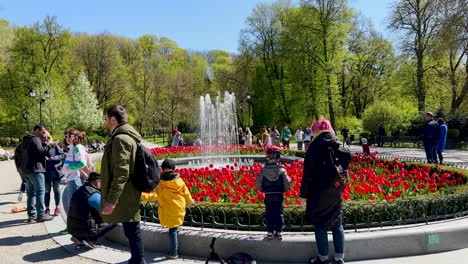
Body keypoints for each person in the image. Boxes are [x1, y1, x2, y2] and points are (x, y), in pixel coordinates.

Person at [300, 117, 351, 264]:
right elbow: (348, 156)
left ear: (315, 131)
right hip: (335, 190)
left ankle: (322, 258)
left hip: (318, 191)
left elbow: (308, 174)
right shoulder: (337, 144)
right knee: (337, 224)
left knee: (320, 225)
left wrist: (303, 195)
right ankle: (339, 258)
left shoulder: (314, 148)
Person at [101, 105, 146, 264]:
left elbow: (122, 172)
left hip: (126, 193)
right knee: (131, 229)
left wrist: (112, 200)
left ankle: (138, 261)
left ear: (113, 119)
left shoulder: (120, 139)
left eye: (106, 118)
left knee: (133, 230)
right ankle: (136, 260)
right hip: (128, 191)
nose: (105, 122)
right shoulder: (125, 136)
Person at [141, 159, 194, 259]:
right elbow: (186, 193)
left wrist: (142, 196)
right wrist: (190, 202)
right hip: (179, 207)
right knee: (175, 226)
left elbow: (154, 196)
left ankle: (174, 252)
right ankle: (174, 247)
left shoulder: (160, 182)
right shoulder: (180, 180)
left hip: (168, 209)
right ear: (174, 169)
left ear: (162, 169)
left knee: (172, 230)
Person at [68, 172, 116, 248]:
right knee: (114, 220)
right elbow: (105, 211)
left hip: (72, 227)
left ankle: (79, 238)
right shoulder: (93, 194)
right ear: (98, 182)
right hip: (85, 229)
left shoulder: (81, 189)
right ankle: (90, 240)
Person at [255, 146, 291, 239]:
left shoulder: (263, 170)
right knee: (279, 212)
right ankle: (279, 231)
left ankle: (270, 232)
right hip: (279, 194)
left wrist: (262, 190)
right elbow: (287, 182)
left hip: (268, 195)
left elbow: (258, 183)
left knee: (269, 212)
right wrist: (285, 190)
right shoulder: (282, 170)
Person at [24, 125, 58, 223]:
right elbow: (40, 152)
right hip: (36, 169)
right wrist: (51, 145)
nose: (43, 134)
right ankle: (41, 215)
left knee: (31, 193)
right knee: (40, 192)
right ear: (36, 131)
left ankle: (32, 216)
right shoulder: (35, 139)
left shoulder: (27, 140)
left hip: (27, 170)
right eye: (42, 132)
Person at [60, 129, 88, 214]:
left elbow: (81, 163)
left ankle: (75, 226)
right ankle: (71, 226)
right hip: (71, 179)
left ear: (76, 137)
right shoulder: (72, 148)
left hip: (75, 179)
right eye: (66, 136)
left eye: (70, 136)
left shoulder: (76, 147)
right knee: (72, 205)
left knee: (74, 206)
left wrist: (68, 168)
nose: (67, 138)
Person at [43, 131, 65, 216]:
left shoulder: (54, 146)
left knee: (56, 190)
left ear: (50, 138)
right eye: (44, 137)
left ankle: (57, 207)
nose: (46, 139)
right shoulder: (41, 147)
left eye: (47, 137)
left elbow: (62, 155)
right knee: (46, 191)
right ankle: (47, 209)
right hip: (45, 172)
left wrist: (52, 158)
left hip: (55, 171)